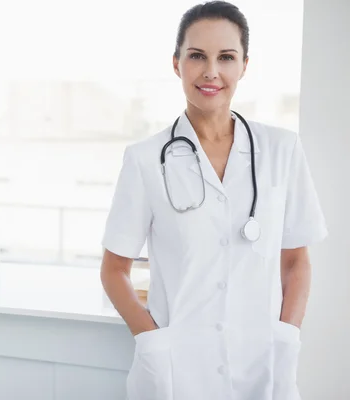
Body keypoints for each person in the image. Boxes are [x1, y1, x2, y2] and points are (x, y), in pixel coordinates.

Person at [100, 1, 327, 399]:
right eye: (197, 56)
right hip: (178, 373)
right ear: (176, 64)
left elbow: (295, 261)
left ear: (244, 65)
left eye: (226, 57)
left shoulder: (282, 150)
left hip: (263, 368)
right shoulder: (145, 159)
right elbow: (113, 270)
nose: (211, 71)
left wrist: (286, 336)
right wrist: (154, 343)